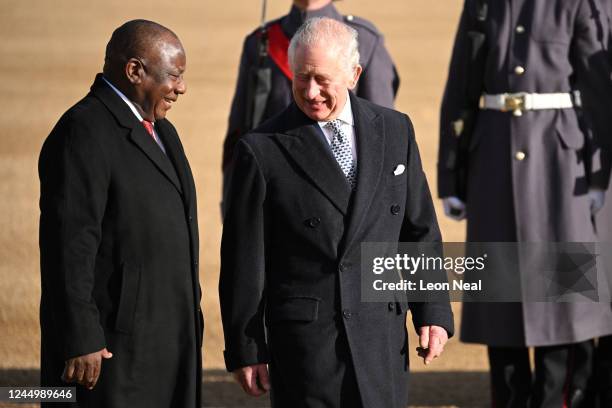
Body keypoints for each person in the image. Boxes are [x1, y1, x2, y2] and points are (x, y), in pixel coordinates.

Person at [220, 17, 453, 408]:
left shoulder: (395, 130)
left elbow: (418, 231)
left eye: (322, 79)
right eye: (301, 78)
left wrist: (431, 309)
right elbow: (244, 261)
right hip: (307, 347)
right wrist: (247, 349)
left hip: (381, 335)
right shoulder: (261, 149)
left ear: (354, 74)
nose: (310, 92)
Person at [438, 0, 612, 406]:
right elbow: (461, 83)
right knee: (501, 299)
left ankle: (559, 399)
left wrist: (599, 175)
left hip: (561, 162)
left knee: (565, 300)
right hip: (494, 159)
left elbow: (597, 92)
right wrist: (452, 173)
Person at [38, 20, 202, 407]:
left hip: (168, 339)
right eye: (174, 76)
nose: (181, 88)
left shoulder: (162, 129)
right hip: (110, 350)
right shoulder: (83, 131)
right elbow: (69, 244)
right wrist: (81, 336)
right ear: (134, 71)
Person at [221, 0, 399, 187]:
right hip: (275, 185)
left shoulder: (364, 40)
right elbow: (238, 132)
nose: (312, 92)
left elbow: (380, 132)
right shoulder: (259, 42)